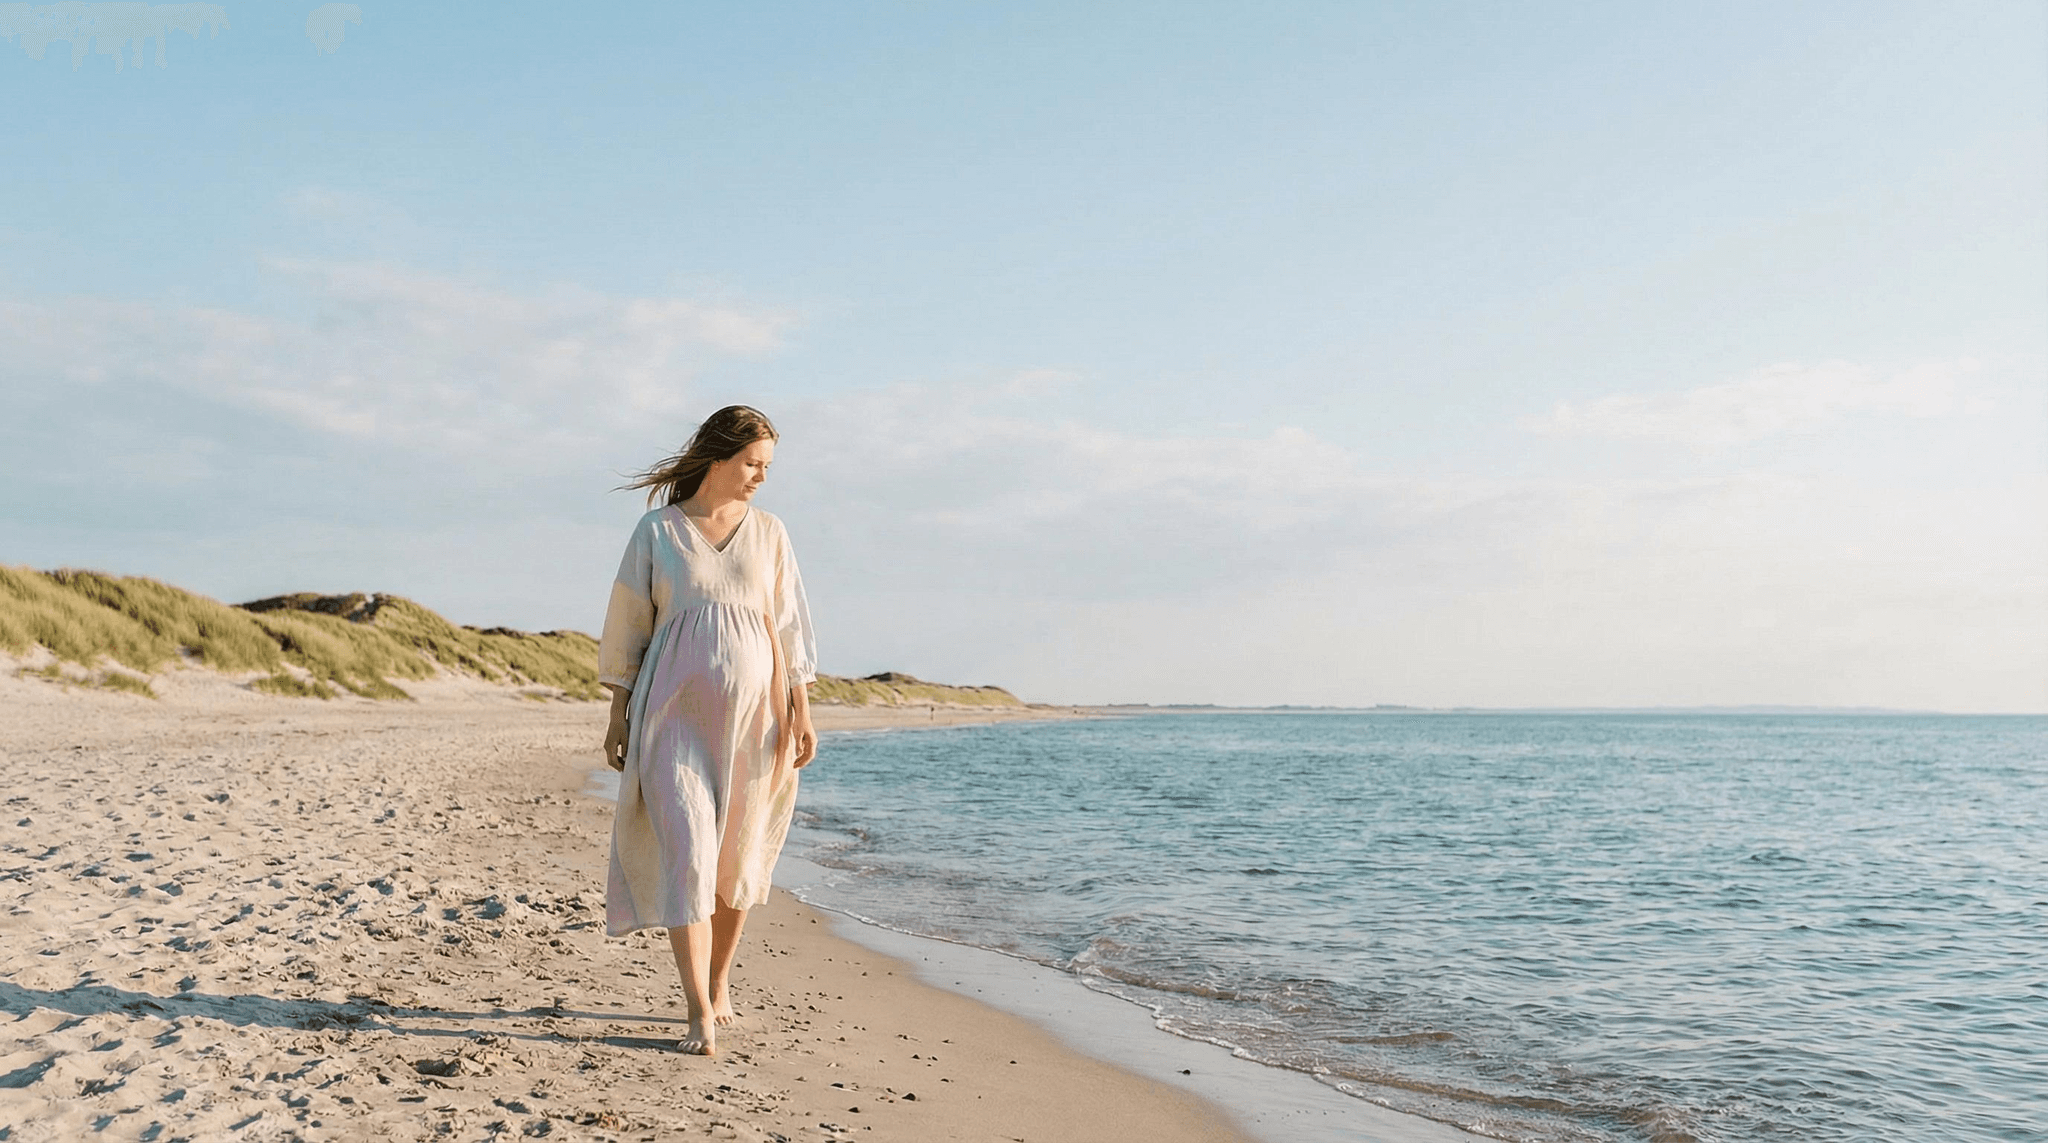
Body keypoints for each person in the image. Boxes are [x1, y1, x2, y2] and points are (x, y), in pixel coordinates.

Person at [596, 404, 818, 1056]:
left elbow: (788, 628)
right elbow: (629, 624)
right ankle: (697, 1009)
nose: (760, 477)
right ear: (718, 455)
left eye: (767, 467)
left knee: (736, 856)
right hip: (673, 720)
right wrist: (618, 711)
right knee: (688, 853)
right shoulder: (658, 532)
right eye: (752, 463)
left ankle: (719, 983)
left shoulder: (771, 533)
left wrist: (802, 707)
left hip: (756, 722)